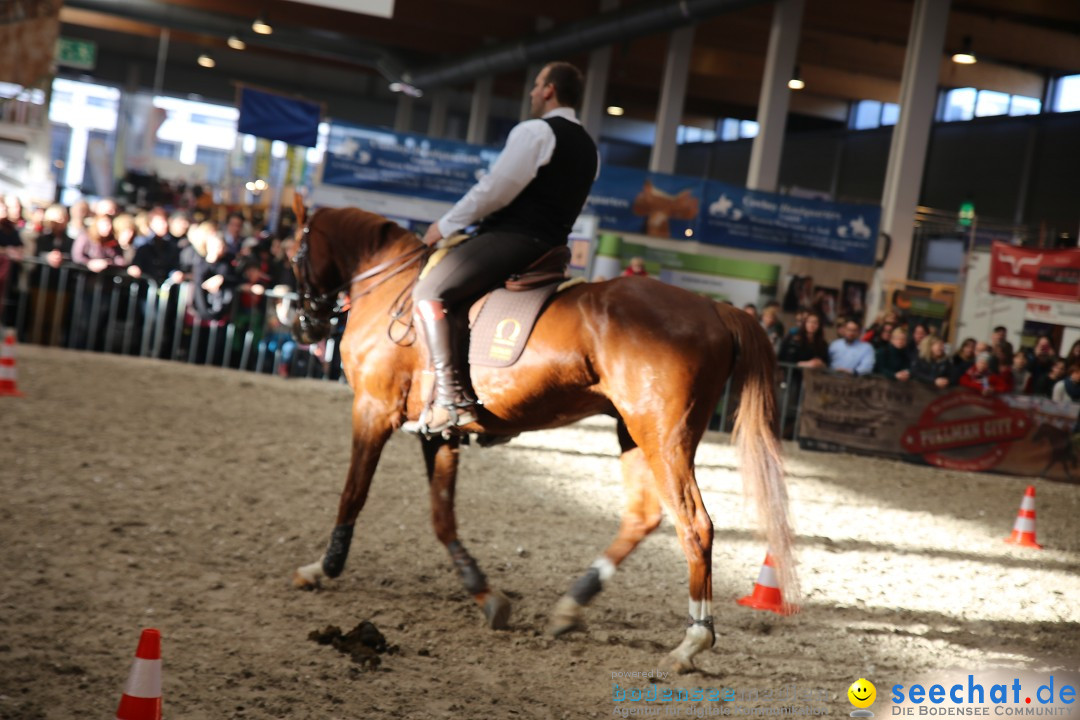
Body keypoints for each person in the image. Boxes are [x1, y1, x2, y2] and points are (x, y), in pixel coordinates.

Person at [408, 61, 598, 435]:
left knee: (429, 291)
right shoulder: (592, 149)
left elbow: (495, 190)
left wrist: (443, 226)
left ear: (548, 91)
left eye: (536, 85)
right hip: (553, 248)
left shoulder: (536, 131)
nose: (531, 92)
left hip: (513, 239)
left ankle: (451, 398)